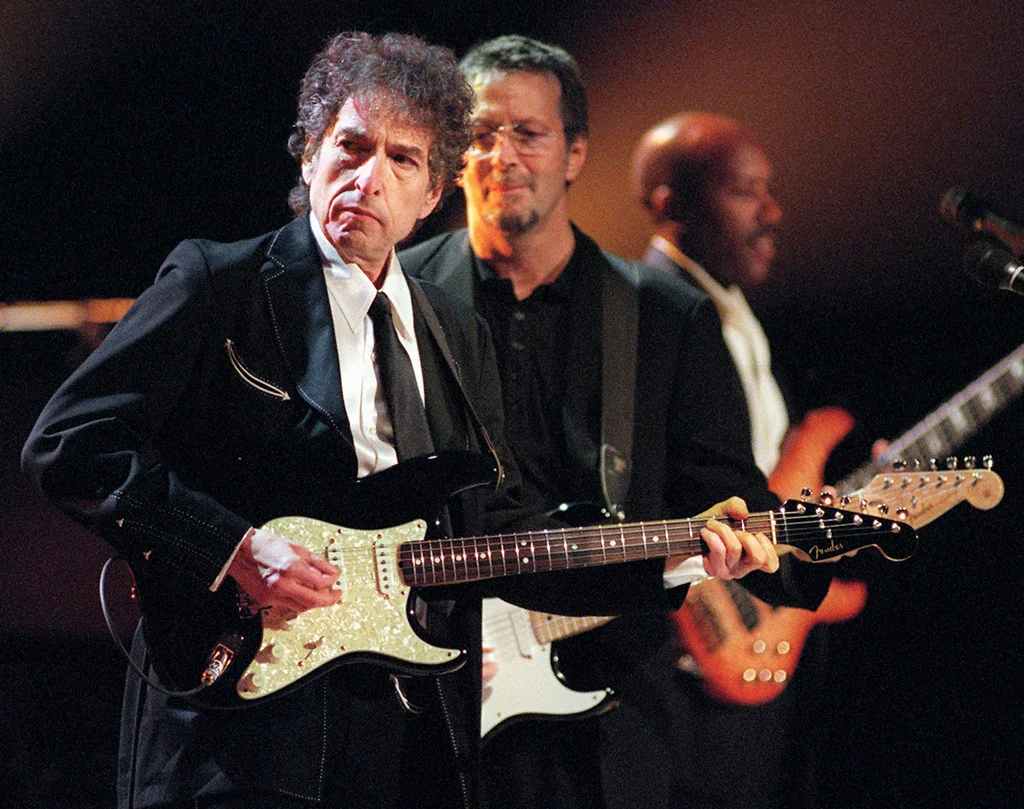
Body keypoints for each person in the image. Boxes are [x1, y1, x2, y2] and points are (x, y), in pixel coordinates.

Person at [21, 34, 780, 809]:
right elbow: (67, 442)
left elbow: (498, 528)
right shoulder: (222, 281)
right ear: (309, 153)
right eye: (349, 147)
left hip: (403, 737)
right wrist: (233, 549)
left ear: (433, 194)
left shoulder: (454, 327)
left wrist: (679, 556)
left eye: (402, 160)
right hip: (235, 723)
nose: (368, 178)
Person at [400, 36, 832, 809]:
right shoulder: (399, 294)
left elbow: (730, 496)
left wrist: (795, 547)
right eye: (482, 134)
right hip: (424, 712)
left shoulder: (664, 317)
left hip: (610, 723)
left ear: (574, 154)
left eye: (527, 133)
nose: (501, 155)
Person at [628, 110, 828, 808]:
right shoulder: (649, 311)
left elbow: (760, 480)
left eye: (768, 189)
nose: (770, 210)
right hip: (680, 655)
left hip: (750, 630)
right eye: (745, 189)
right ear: (670, 204)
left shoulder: (733, 313)